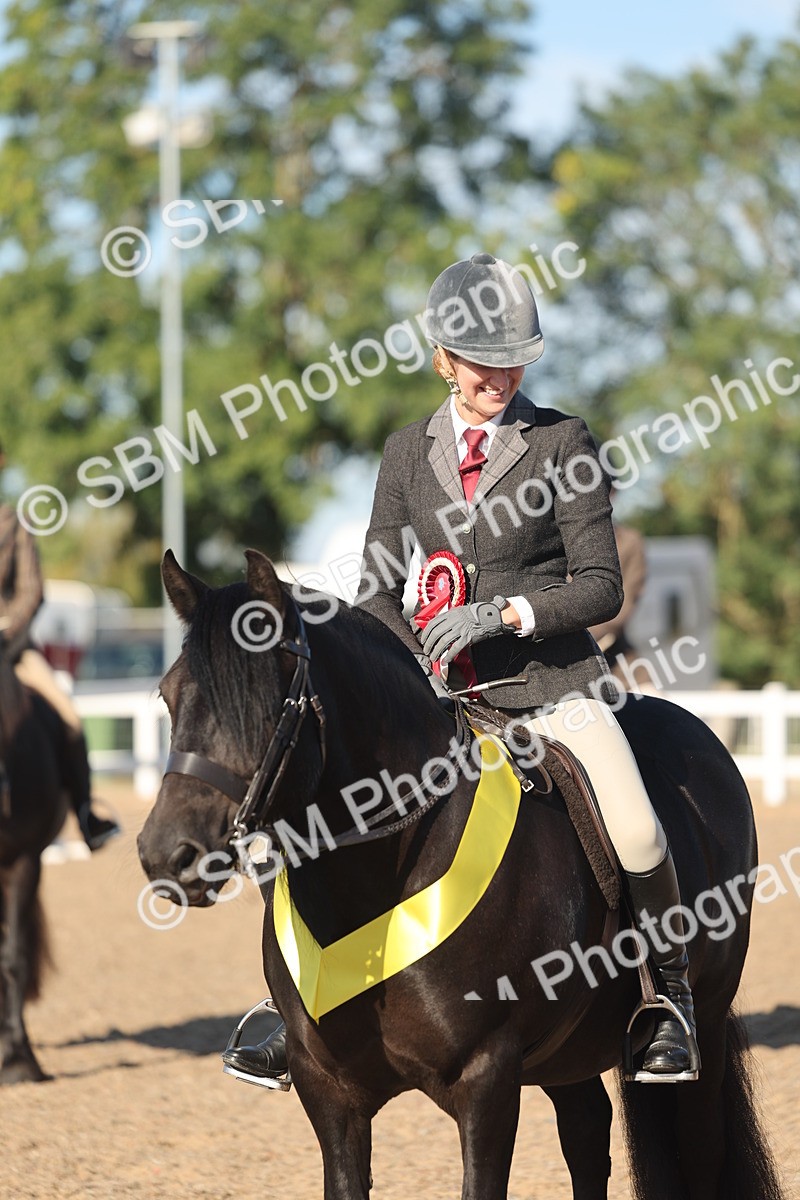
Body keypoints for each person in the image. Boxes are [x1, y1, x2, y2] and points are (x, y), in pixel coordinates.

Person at [223, 253, 698, 1086]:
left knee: (637, 827)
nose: (503, 374)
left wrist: (506, 613)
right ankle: (286, 1003)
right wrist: (406, 664)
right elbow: (375, 585)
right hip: (438, 698)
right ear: (443, 358)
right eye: (485, 358)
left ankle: (667, 1001)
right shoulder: (408, 454)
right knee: (308, 808)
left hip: (550, 689)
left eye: (517, 357)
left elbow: (601, 586)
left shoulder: (561, 441)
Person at [0, 449, 120, 851]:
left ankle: (87, 815)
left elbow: (31, 591)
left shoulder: (14, 524)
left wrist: (6, 632)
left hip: (12, 650)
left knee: (67, 716)